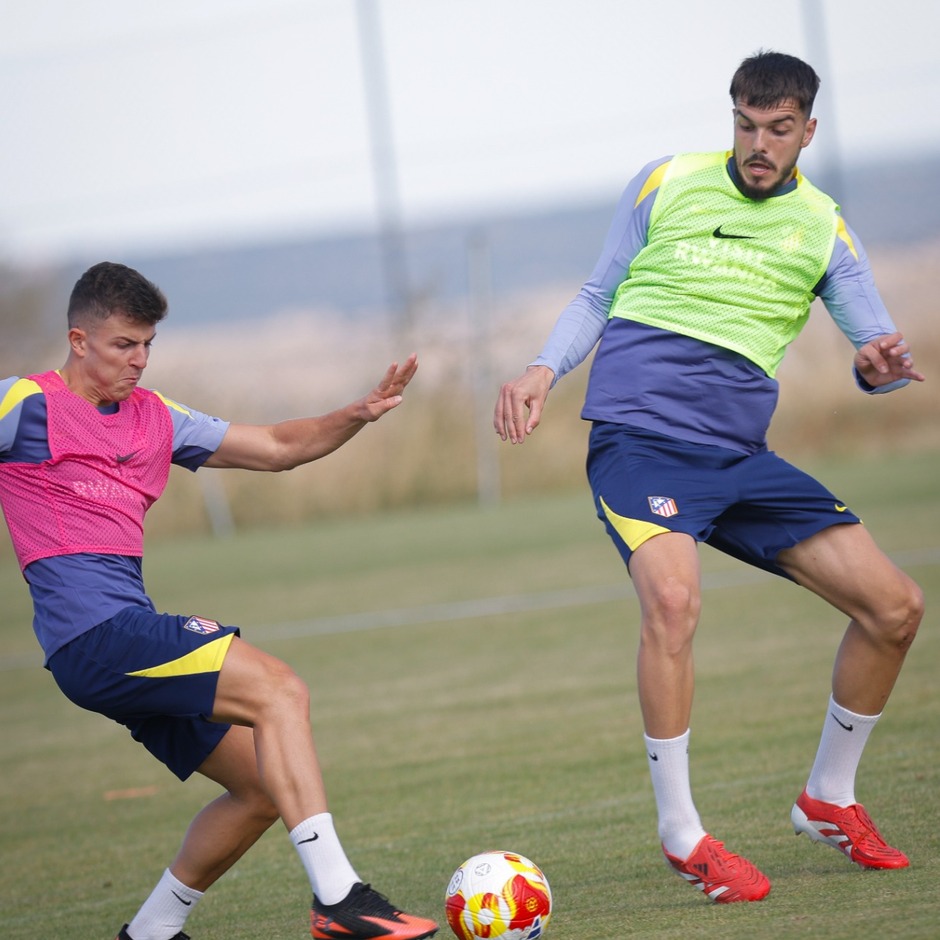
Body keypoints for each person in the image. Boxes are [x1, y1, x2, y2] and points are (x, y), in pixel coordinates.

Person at [494, 50, 925, 903]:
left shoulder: (826, 229)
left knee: (896, 608)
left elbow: (874, 353)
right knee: (675, 601)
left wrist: (879, 366)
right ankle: (682, 832)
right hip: (640, 444)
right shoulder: (668, 182)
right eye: (745, 125)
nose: (758, 144)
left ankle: (829, 797)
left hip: (737, 459)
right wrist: (543, 370)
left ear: (808, 129)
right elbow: (598, 291)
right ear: (731, 118)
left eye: (778, 129)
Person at [0, 261, 439, 940]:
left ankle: (152, 931)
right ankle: (340, 899)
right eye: (124, 345)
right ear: (79, 340)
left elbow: (275, 446)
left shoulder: (155, 416)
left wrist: (356, 414)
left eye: (148, 344)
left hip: (121, 636)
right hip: (94, 636)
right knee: (279, 690)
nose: (139, 360)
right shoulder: (27, 403)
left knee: (262, 787)